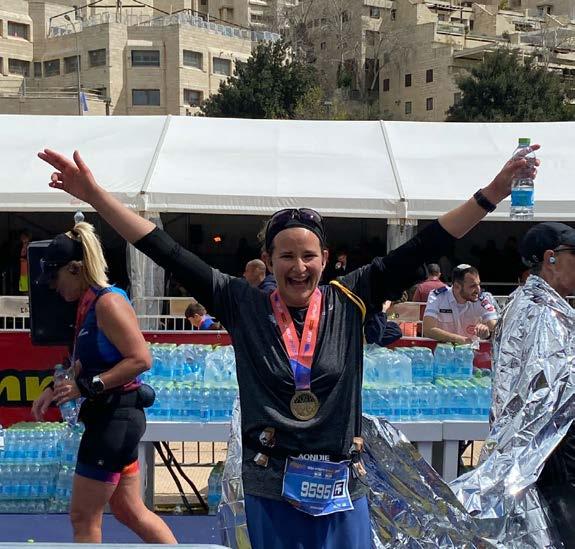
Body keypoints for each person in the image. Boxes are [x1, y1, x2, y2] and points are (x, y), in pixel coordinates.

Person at [38, 146, 538, 549]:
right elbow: (162, 247)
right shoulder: (241, 302)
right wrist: (97, 196)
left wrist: (494, 192)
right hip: (271, 487)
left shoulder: (351, 297)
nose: (299, 267)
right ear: (269, 259)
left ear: (325, 258)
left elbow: (429, 243)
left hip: (341, 487)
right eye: (286, 256)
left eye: (308, 256)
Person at [30, 221, 176, 545]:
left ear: (75, 268)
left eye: (55, 277)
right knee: (128, 510)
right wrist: (53, 389)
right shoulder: (89, 305)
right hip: (113, 418)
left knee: (83, 517)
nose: (53, 287)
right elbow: (85, 364)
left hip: (115, 418)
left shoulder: (107, 303)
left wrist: (87, 387)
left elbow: (141, 359)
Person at [451, 221, 575, 546]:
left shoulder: (533, 306)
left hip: (543, 456)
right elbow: (539, 402)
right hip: (553, 457)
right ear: (550, 258)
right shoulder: (541, 314)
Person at [422, 264, 498, 345]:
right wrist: (459, 339)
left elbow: (496, 328)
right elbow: (428, 329)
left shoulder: (481, 299)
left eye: (478, 284)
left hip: (471, 351)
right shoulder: (438, 296)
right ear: (457, 286)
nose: (478, 290)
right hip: (444, 350)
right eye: (473, 286)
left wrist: (487, 332)